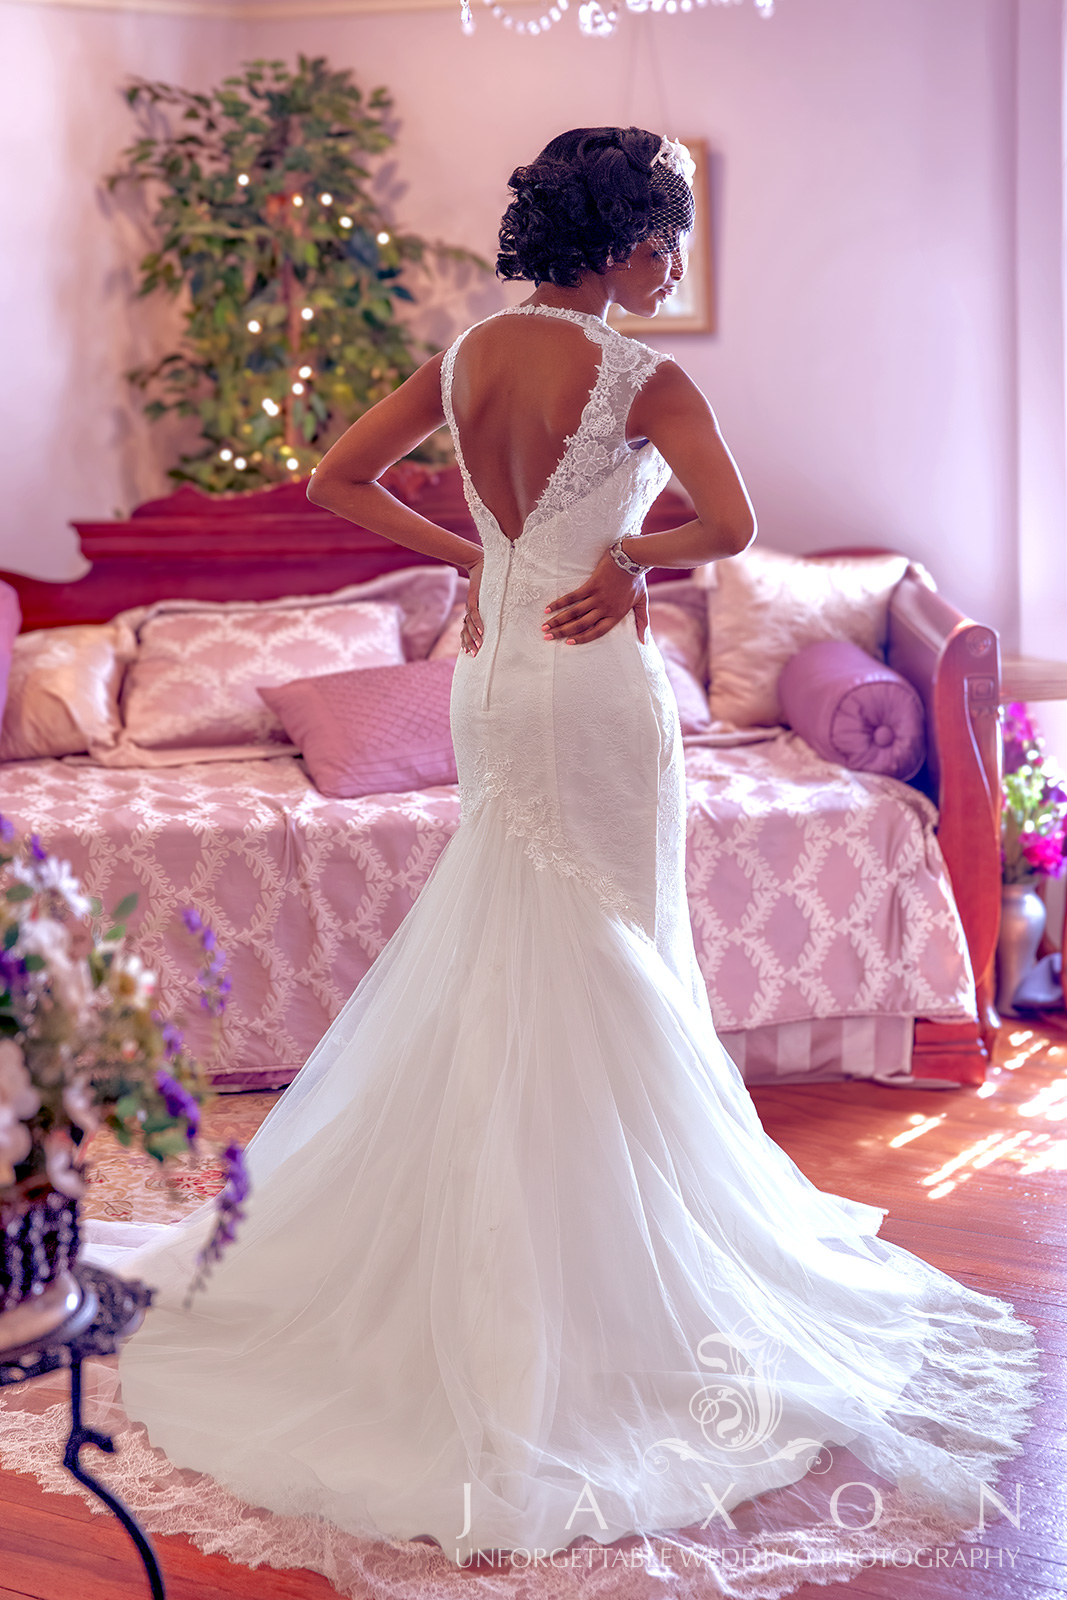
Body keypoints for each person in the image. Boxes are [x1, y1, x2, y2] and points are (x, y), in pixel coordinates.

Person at [4, 127, 1039, 1598]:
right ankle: (597, 1287)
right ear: (622, 242)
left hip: (498, 675)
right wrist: (621, 563)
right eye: (665, 239)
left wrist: (473, 563)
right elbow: (731, 527)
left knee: (521, 928)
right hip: (596, 679)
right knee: (606, 934)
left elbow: (335, 478)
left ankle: (502, 1255)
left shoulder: (474, 354)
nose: (672, 264)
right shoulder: (646, 378)